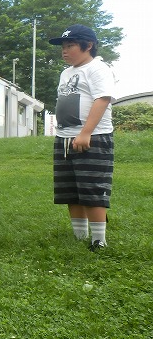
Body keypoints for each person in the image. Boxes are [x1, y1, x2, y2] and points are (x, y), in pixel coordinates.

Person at [49, 24, 115, 251]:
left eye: (70, 46)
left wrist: (85, 132)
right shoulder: (66, 73)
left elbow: (102, 99)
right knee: (71, 189)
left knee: (92, 188)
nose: (64, 51)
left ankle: (99, 240)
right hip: (65, 138)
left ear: (88, 46)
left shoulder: (97, 68)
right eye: (63, 47)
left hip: (93, 137)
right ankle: (78, 235)